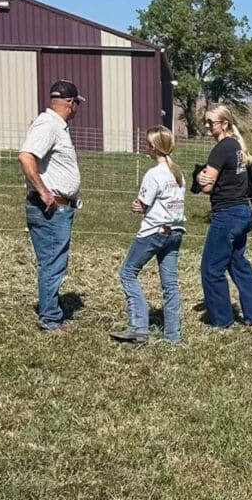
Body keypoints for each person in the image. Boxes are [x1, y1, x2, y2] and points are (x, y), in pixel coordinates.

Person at [18, 79, 84, 334]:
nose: (77, 108)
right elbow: (26, 156)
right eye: (76, 103)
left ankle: (51, 313)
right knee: (52, 262)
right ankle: (50, 318)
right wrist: (44, 192)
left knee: (53, 261)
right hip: (51, 208)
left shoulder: (57, 126)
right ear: (70, 103)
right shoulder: (48, 125)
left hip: (58, 207)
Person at [110, 126, 186, 345]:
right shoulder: (178, 174)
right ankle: (173, 335)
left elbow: (142, 205)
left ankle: (138, 328)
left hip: (154, 231)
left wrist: (138, 206)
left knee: (127, 272)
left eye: (148, 143)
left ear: (153, 147)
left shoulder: (154, 174)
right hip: (176, 230)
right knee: (169, 283)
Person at [195, 105, 252, 328]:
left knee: (211, 268)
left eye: (211, 122)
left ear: (224, 124)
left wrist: (199, 177)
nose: (207, 125)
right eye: (205, 121)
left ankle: (221, 320)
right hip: (242, 211)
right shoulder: (236, 146)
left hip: (226, 214)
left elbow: (207, 186)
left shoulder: (221, 149)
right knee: (237, 264)